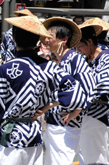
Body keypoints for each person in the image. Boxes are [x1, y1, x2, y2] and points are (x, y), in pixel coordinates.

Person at [0, 16, 86, 165]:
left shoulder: (6, 68)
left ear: (14, 38)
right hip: (34, 134)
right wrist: (49, 105)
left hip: (10, 136)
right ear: (38, 40)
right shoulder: (51, 67)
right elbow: (78, 97)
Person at [42, 17, 95, 165]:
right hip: (56, 121)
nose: (46, 40)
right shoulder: (58, 60)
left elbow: (89, 88)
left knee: (60, 161)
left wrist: (75, 112)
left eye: (50, 37)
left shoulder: (74, 59)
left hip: (66, 124)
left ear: (63, 40)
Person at [75, 22, 109, 165]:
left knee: (98, 153)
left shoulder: (106, 57)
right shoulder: (85, 58)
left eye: (80, 46)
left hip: (101, 109)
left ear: (89, 42)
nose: (79, 50)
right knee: (87, 151)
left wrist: (82, 102)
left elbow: (105, 86)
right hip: (88, 110)